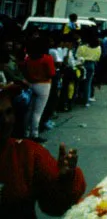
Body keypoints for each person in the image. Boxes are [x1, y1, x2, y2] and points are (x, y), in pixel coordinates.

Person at [0, 83, 86, 218]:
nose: (5, 121)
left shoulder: (27, 152)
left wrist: (65, 180)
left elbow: (53, 206)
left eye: (9, 112)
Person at [21, 37, 56, 143]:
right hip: (44, 85)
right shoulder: (47, 58)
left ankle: (25, 133)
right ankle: (34, 134)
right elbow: (52, 73)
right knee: (38, 112)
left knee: (29, 110)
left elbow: (24, 70)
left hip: (31, 84)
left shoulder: (28, 58)